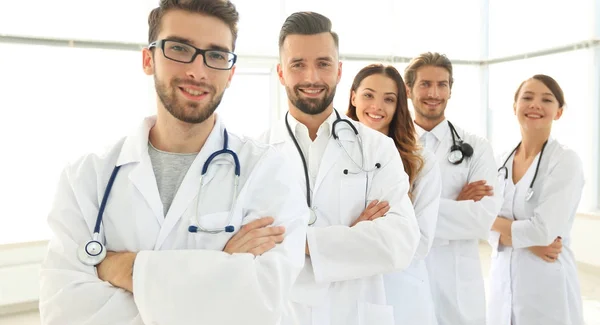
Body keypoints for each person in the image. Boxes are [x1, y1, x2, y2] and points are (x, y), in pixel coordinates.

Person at [38, 1, 309, 324]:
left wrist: (122, 268)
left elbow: (261, 305)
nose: (198, 71)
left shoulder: (269, 172)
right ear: (148, 59)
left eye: (217, 55)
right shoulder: (86, 178)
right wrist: (220, 270)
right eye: (180, 48)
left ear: (231, 72)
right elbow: (63, 310)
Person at [259, 12, 420, 325]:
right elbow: (244, 247)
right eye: (297, 64)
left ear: (338, 71)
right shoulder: (257, 153)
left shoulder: (376, 148)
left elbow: (400, 243)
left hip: (355, 311)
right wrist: (353, 236)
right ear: (280, 72)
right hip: (282, 314)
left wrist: (297, 241)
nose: (312, 77)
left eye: (323, 63)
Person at [404, 52, 502, 325]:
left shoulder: (477, 147)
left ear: (450, 90)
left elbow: (481, 219)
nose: (434, 92)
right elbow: (382, 215)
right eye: (425, 84)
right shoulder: (391, 145)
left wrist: (411, 208)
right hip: (405, 276)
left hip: (458, 285)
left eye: (442, 84)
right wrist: (456, 206)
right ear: (408, 89)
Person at [346, 63, 441, 325]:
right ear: (353, 97)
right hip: (345, 287)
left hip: (401, 291)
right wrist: (381, 233)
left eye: (389, 99)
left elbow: (419, 242)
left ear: (398, 105)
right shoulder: (331, 154)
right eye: (368, 95)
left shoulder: (421, 161)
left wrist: (353, 236)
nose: (377, 106)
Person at [487, 74, 584, 325]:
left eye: (546, 99)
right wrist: (529, 242)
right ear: (515, 107)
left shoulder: (565, 161)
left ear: (559, 112)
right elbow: (479, 222)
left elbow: (544, 231)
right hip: (502, 282)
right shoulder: (500, 161)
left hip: (546, 285)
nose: (534, 105)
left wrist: (493, 221)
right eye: (527, 98)